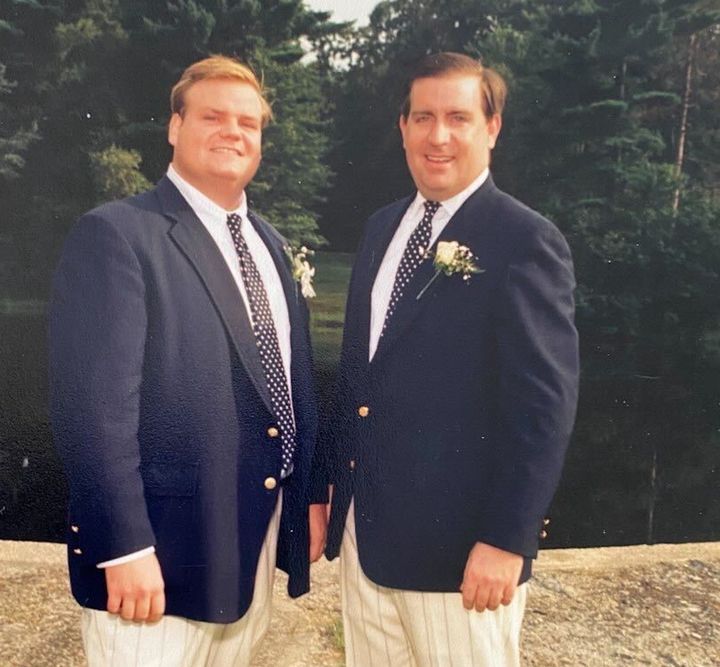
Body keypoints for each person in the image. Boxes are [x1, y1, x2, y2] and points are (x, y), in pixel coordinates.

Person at [49, 55, 328, 665]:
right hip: (158, 566)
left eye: (248, 123)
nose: (233, 132)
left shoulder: (272, 246)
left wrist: (304, 498)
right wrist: (122, 550)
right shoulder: (118, 236)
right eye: (213, 116)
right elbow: (93, 414)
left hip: (249, 549)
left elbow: (292, 386)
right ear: (175, 127)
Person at [322, 52, 579, 666]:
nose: (438, 136)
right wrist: (328, 485)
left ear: (491, 128)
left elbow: (543, 410)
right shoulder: (382, 230)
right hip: (366, 541)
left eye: (459, 118)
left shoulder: (524, 239)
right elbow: (359, 376)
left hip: (460, 560)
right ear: (403, 128)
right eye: (423, 117)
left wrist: (506, 540)